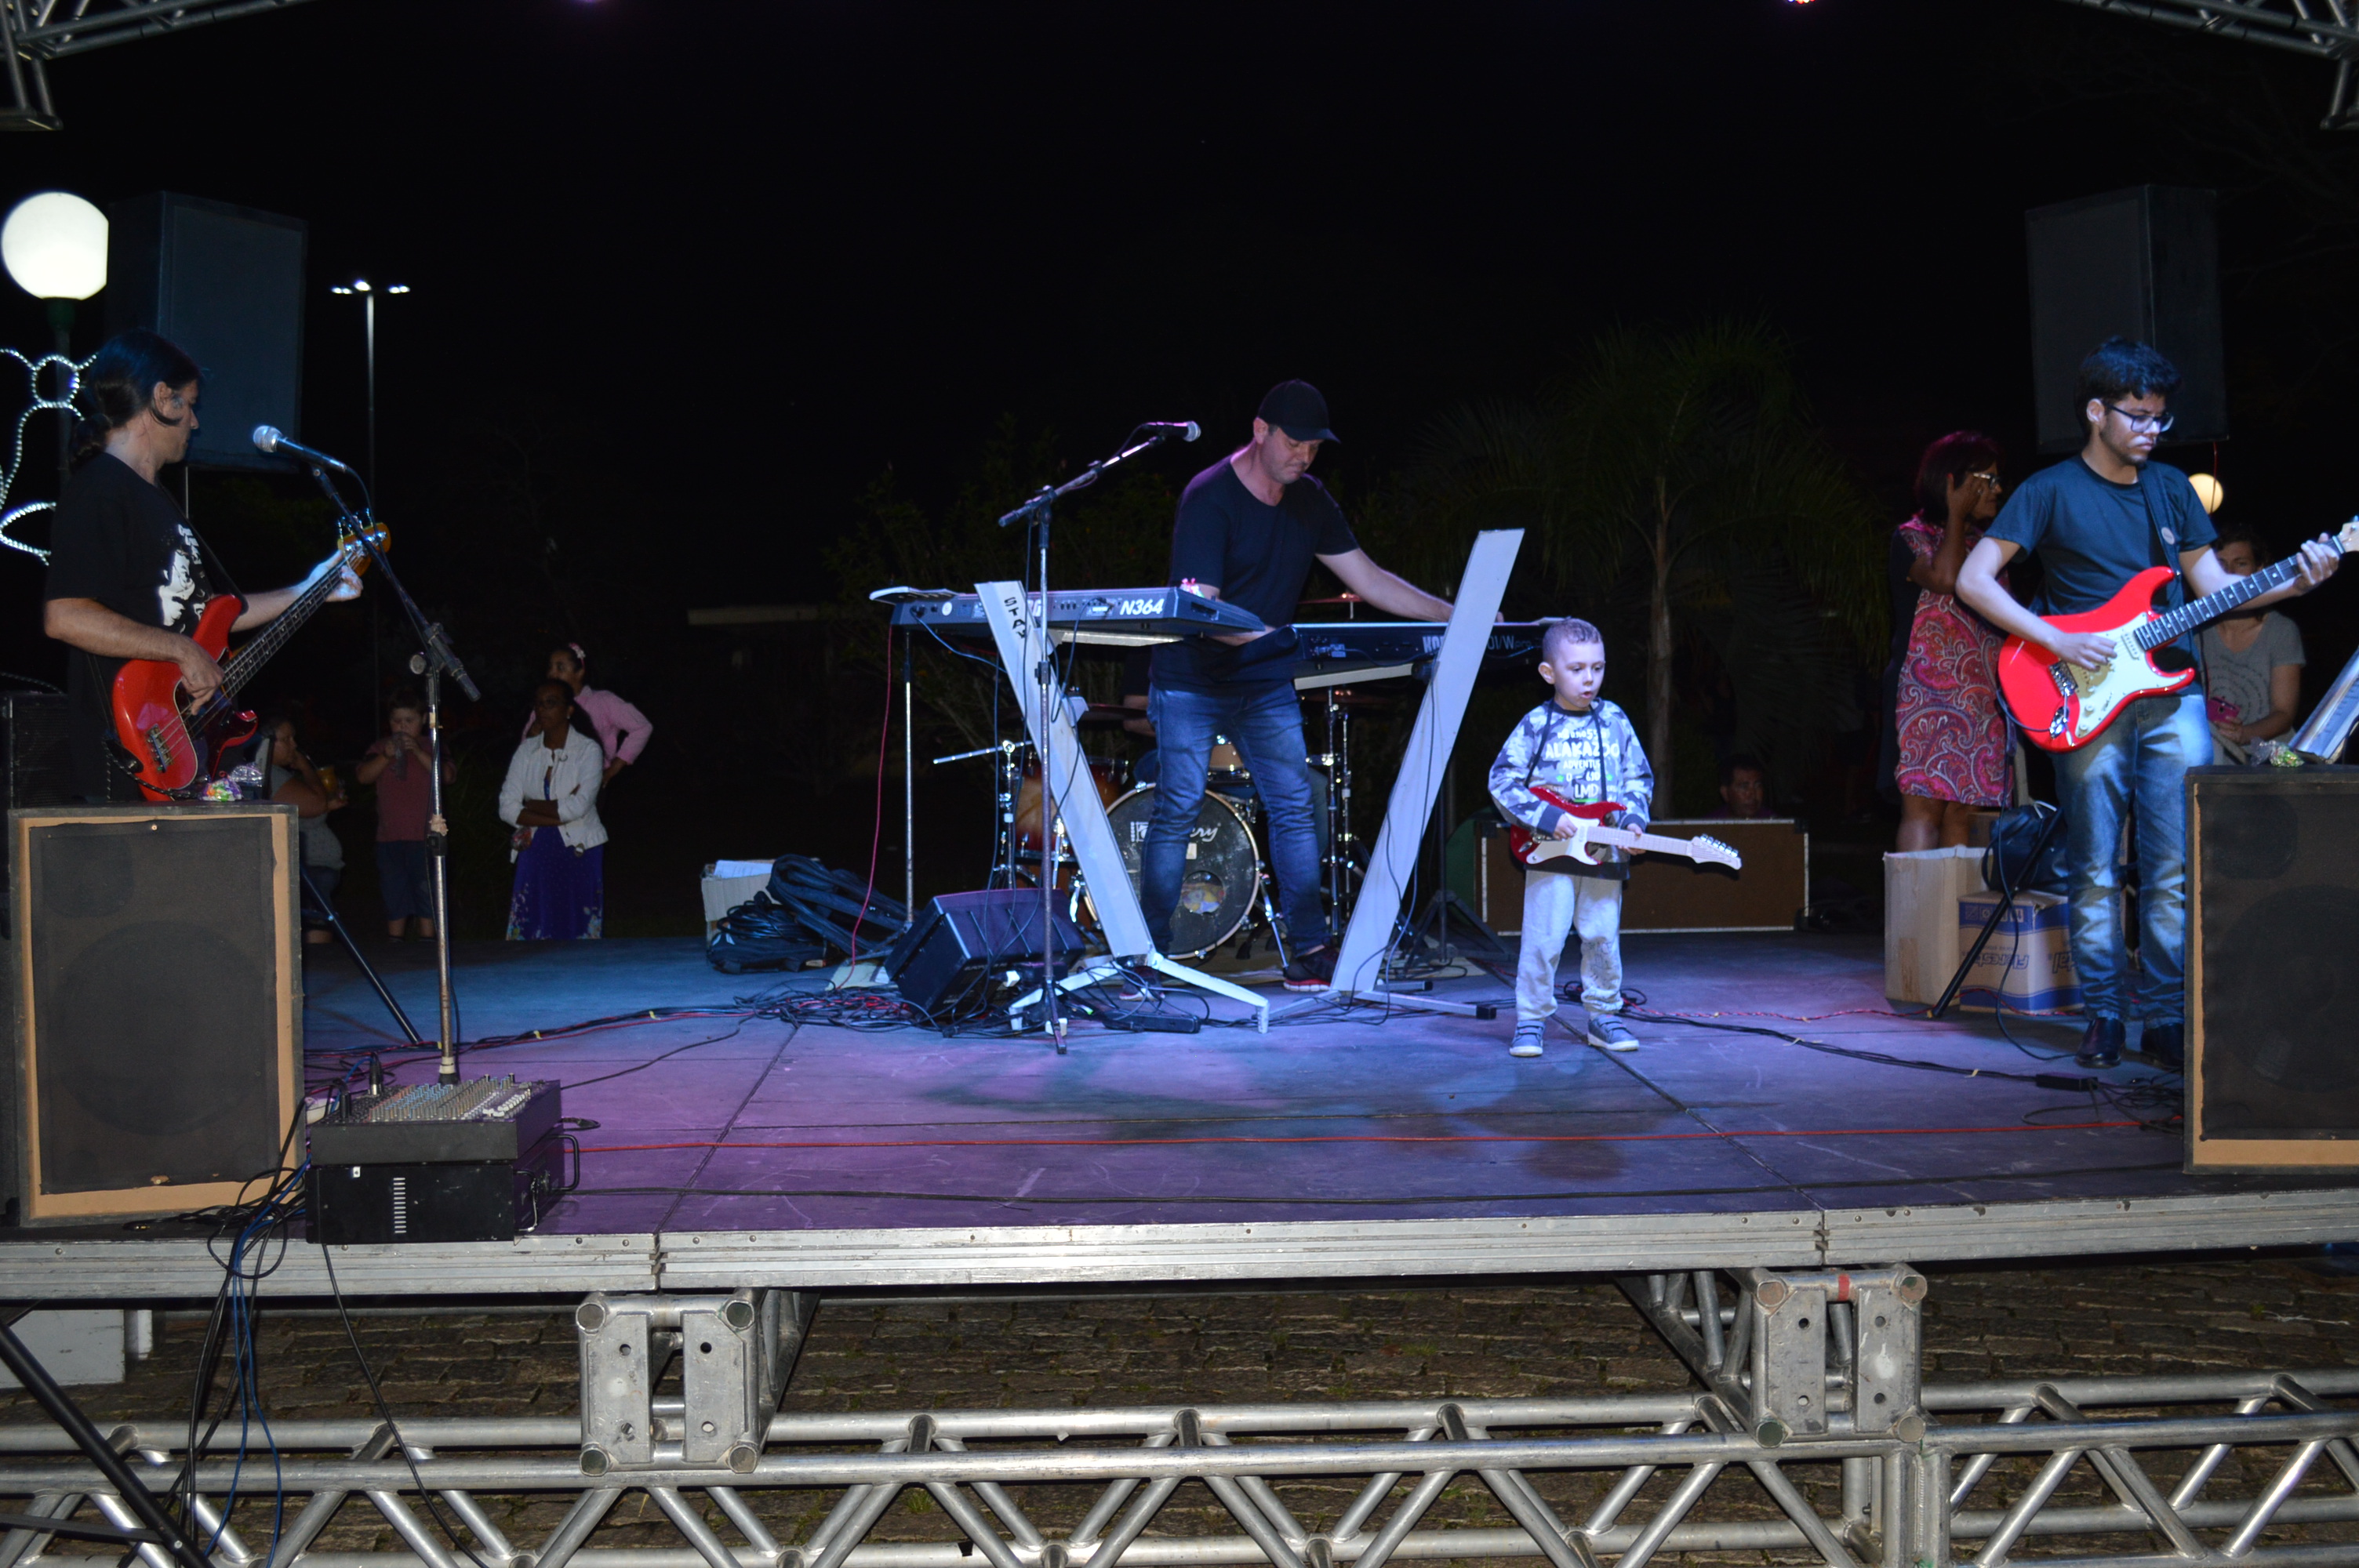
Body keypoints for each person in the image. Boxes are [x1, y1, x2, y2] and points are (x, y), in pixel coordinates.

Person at [1956, 338, 2341, 1071]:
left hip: (2174, 693)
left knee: (2172, 869)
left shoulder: (2171, 490)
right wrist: (2055, 639)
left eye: (2161, 418)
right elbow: (1973, 580)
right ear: (2095, 413)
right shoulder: (2049, 490)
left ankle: (2166, 1017)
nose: (2153, 431)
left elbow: (2216, 592)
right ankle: (2104, 1015)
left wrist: (2298, 580)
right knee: (2095, 866)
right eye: (2138, 416)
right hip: (2082, 692)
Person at [1143, 380, 1459, 991]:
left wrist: (1456, 614)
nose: (1304, 457)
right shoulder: (1210, 496)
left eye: (1314, 448)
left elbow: (1369, 579)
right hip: (1191, 680)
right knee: (1177, 808)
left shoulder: (1311, 501)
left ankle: (1310, 949)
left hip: (1263, 678)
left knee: (1294, 805)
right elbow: (1201, 609)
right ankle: (1149, 955)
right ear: (1260, 431)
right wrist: (1275, 638)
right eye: (1294, 444)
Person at [42, 331, 361, 803]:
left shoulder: (157, 500)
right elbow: (65, 615)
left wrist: (311, 588)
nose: (194, 421)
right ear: (161, 399)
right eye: (189, 404)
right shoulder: (100, 489)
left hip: (193, 746)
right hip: (134, 755)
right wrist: (183, 651)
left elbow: (212, 615)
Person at [1489, 619, 1654, 1058]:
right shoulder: (1536, 723)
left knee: (1602, 938)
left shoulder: (1615, 720)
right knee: (1543, 940)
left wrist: (1633, 822)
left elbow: (1638, 778)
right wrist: (1546, 816)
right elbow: (1502, 780)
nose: (1589, 679)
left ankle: (1604, 1016)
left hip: (1604, 853)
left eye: (1597, 668)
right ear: (1549, 673)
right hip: (1551, 853)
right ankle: (1531, 1020)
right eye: (1577, 669)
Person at [1892, 433, 2014, 849]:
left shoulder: (1989, 546)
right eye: (1987, 480)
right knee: (1925, 810)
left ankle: (1960, 896)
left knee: (1967, 812)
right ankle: (1917, 895)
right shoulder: (1913, 536)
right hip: (1924, 699)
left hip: (1981, 699)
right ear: (1953, 481)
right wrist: (1956, 514)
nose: (1997, 490)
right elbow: (1945, 579)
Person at [500, 678, 608, 940]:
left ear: (569, 710)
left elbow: (579, 807)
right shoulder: (527, 751)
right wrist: (557, 815)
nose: (543, 710)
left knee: (576, 927)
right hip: (535, 847)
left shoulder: (588, 750)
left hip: (579, 848)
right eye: (539, 704)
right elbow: (506, 808)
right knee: (532, 926)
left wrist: (530, 806)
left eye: (551, 703)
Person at [2197, 527, 2306, 763]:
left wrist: (2244, 734)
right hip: (2212, 750)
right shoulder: (2195, 630)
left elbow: (2284, 714)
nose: (2228, 573)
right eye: (2220, 565)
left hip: (2270, 753)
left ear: (2259, 571)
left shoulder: (2281, 630)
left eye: (2240, 564)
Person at [356, 690, 456, 939]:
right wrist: (386, 755)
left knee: (427, 894)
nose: (402, 726)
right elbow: (363, 776)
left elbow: (446, 776)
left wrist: (419, 753)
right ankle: (395, 945)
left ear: (422, 719)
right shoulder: (381, 747)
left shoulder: (434, 745)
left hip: (426, 838)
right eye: (396, 721)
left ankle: (428, 945)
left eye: (409, 720)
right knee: (394, 895)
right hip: (389, 838)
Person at [262, 713, 347, 945]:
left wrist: (327, 805)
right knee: (315, 924)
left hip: (314, 869)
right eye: (286, 739)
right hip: (310, 870)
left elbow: (307, 811)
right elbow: (315, 804)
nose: (294, 745)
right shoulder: (271, 774)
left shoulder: (280, 775)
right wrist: (306, 767)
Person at [528, 644, 650, 786]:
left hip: (588, 784)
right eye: (550, 667)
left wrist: (614, 768)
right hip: (548, 785)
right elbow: (527, 744)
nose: (552, 674)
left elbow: (642, 727)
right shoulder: (544, 704)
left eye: (560, 668)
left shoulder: (602, 701)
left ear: (579, 673)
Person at [1710, 755, 1769, 819]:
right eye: (1744, 787)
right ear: (1725, 793)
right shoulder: (1711, 823)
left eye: (1757, 786)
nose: (1753, 794)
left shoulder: (1772, 821)